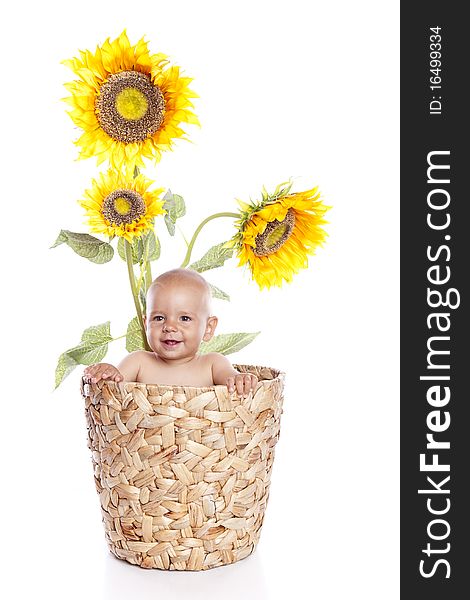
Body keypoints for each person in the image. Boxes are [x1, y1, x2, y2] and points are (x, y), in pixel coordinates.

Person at [83, 268, 258, 398]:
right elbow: (114, 388)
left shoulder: (213, 364)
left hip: (201, 444)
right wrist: (109, 372)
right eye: (159, 318)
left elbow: (232, 380)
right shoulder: (138, 362)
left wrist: (240, 380)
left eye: (184, 318)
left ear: (208, 328)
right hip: (146, 444)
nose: (170, 327)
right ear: (146, 325)